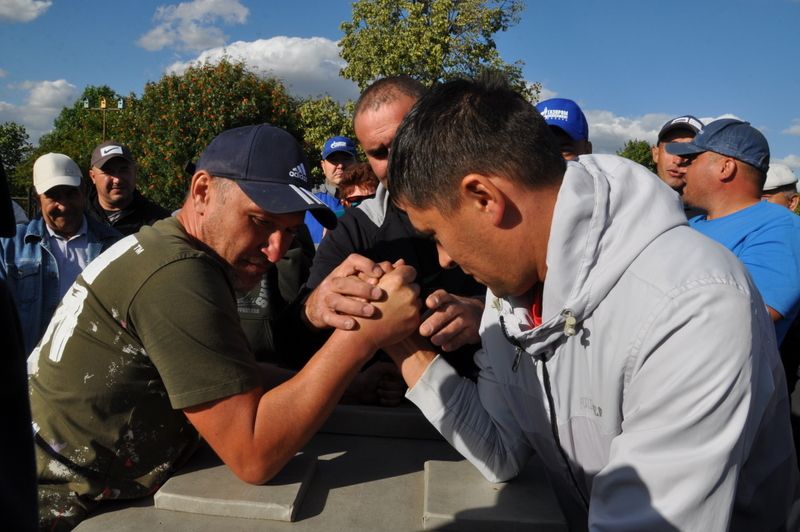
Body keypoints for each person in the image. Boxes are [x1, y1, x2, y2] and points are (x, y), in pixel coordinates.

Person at [384, 74, 797, 530]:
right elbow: (502, 452)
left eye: (436, 233)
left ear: (484, 197)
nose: (444, 258)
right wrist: (396, 338)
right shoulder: (510, 298)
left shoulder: (694, 304)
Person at [28, 124, 422, 530]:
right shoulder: (177, 274)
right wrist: (362, 337)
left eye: (288, 231)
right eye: (260, 221)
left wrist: (350, 385)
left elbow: (228, 378)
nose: (275, 250)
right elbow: (254, 456)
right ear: (202, 191)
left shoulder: (169, 248)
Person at [295, 76, 485, 379]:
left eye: (402, 143)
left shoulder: (487, 208)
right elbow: (294, 336)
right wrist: (316, 308)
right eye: (378, 153)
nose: (394, 162)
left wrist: (484, 315)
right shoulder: (358, 229)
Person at [666, 118, 800, 344]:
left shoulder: (781, 228)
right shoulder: (689, 223)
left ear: (725, 167)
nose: (681, 166)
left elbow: (742, 321)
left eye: (691, 159)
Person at [0, 153, 120, 353]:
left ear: (83, 190)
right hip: (29, 374)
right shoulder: (8, 247)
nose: (63, 205)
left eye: (71, 193)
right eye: (53, 196)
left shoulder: (113, 245)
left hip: (88, 370)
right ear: (38, 199)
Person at [87, 140, 170, 235]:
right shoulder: (79, 218)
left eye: (124, 170)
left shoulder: (158, 222)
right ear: (93, 176)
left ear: (135, 172)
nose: (117, 180)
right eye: (108, 171)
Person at [304, 135, 357, 244]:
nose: (340, 165)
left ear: (357, 162)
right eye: (334, 160)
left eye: (346, 158)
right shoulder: (308, 203)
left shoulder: (373, 200)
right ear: (323, 166)